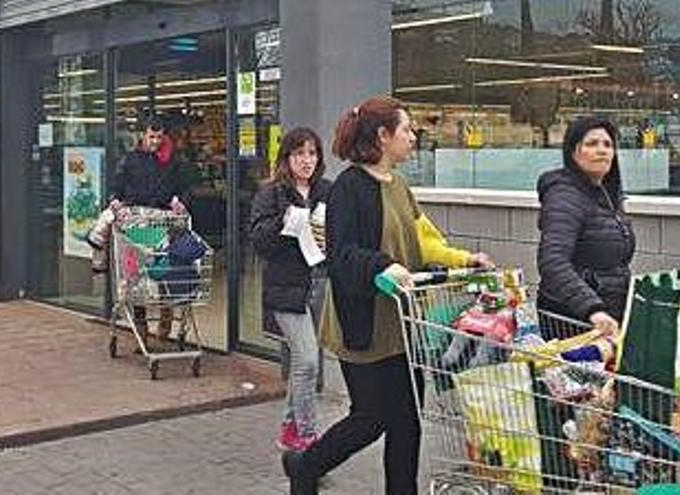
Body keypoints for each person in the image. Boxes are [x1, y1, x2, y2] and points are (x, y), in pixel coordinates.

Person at [281, 96, 493, 495]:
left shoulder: (399, 186)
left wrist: (467, 259)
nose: (413, 137)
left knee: (408, 421)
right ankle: (306, 466)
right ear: (382, 136)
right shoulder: (348, 188)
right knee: (370, 417)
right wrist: (382, 265)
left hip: (402, 323)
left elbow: (425, 240)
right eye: (407, 130)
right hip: (362, 324)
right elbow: (342, 255)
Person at [249, 127, 332, 453]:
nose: (306, 160)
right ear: (286, 158)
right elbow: (258, 241)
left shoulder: (326, 190)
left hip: (317, 284)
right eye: (299, 154)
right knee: (309, 360)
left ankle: (289, 428)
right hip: (285, 288)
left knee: (303, 360)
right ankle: (309, 436)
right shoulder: (272, 194)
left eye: (312, 153)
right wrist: (283, 223)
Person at [536, 117, 636, 338]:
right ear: (573, 152)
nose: (602, 150)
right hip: (573, 321)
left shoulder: (607, 197)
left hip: (608, 318)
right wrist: (593, 309)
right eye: (592, 144)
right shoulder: (564, 195)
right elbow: (553, 261)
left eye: (608, 145)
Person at [110, 117, 188, 345]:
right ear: (143, 136)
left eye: (159, 137)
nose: (155, 141)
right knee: (137, 276)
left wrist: (178, 201)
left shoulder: (172, 161)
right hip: (137, 224)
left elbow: (182, 187)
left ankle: (165, 323)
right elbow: (118, 185)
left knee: (162, 271)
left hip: (163, 223)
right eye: (151, 136)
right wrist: (115, 200)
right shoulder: (131, 160)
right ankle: (141, 330)